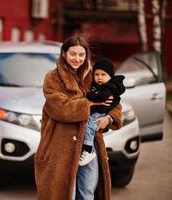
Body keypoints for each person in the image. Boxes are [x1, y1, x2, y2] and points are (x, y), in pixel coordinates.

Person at [34, 35, 122, 200]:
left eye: (81, 55)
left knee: (87, 191)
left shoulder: (93, 77)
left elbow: (114, 102)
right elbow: (60, 109)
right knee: (66, 194)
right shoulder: (52, 78)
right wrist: (90, 102)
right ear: (64, 54)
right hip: (60, 147)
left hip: (89, 147)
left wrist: (109, 118)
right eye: (73, 54)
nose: (77, 58)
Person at [79, 57, 125, 166]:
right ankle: (88, 150)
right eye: (97, 75)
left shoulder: (109, 87)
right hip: (68, 138)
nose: (99, 77)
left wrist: (109, 118)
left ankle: (88, 149)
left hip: (99, 114)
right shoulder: (96, 84)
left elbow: (104, 98)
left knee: (89, 125)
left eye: (103, 75)